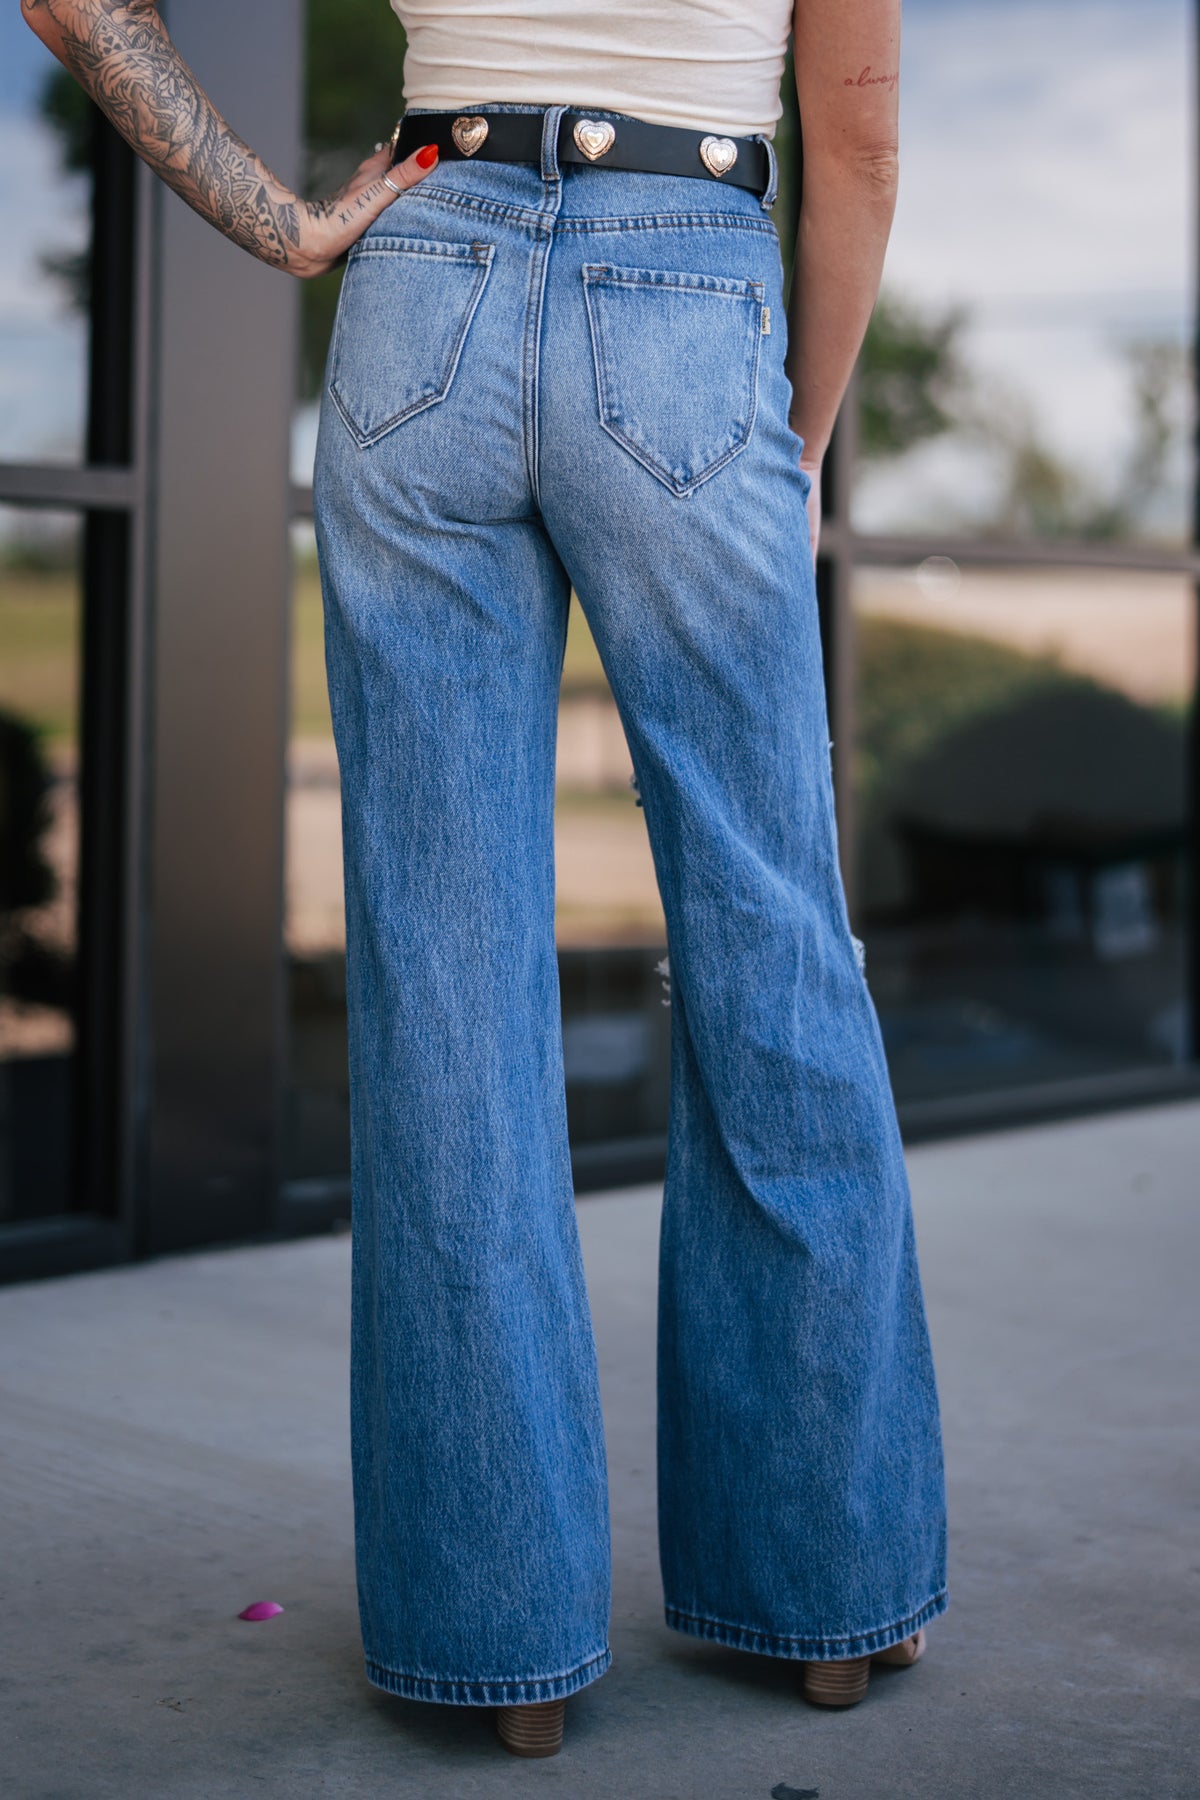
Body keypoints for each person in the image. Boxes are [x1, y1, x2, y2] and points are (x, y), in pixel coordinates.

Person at [24, 0, 948, 1762]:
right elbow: (863, 146)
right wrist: (796, 441)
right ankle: (828, 1594)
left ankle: (496, 1641)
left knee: (444, 976)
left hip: (421, 280)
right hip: (686, 280)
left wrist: (285, 224)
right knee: (769, 938)